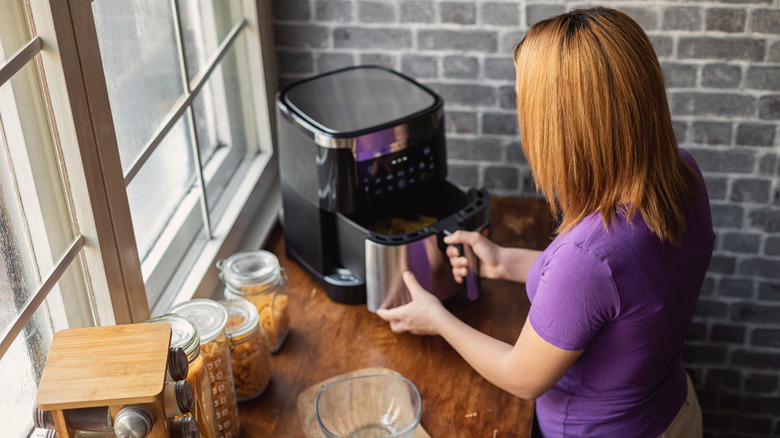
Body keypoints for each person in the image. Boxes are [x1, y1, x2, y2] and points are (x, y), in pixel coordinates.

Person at [376, 7, 714, 438]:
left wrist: (436, 318)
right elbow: (620, 292)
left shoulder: (588, 259)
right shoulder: (683, 174)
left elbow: (522, 377)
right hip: (678, 411)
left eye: (527, 106)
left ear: (566, 126)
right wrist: (502, 262)